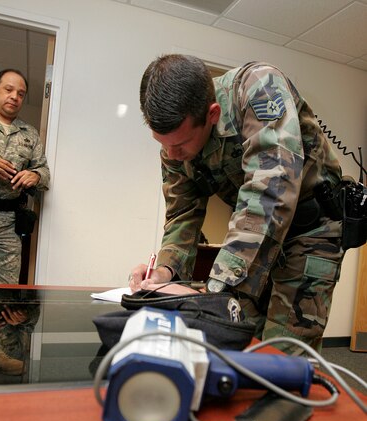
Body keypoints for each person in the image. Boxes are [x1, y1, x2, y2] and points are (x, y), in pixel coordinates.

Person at [129, 54, 345, 355]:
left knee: (283, 355)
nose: (171, 154)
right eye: (163, 144)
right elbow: (182, 213)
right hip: (254, 242)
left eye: (179, 144)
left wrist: (214, 291)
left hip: (307, 235)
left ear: (213, 114)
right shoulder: (173, 146)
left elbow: (270, 192)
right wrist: (164, 271)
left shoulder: (259, 87)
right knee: (239, 341)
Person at [0, 69, 50, 283]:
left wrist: (35, 176)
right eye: (9, 89)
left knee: (5, 290)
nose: (14, 97)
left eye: (21, 93)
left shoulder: (30, 133)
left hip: (9, 226)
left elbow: (44, 172)